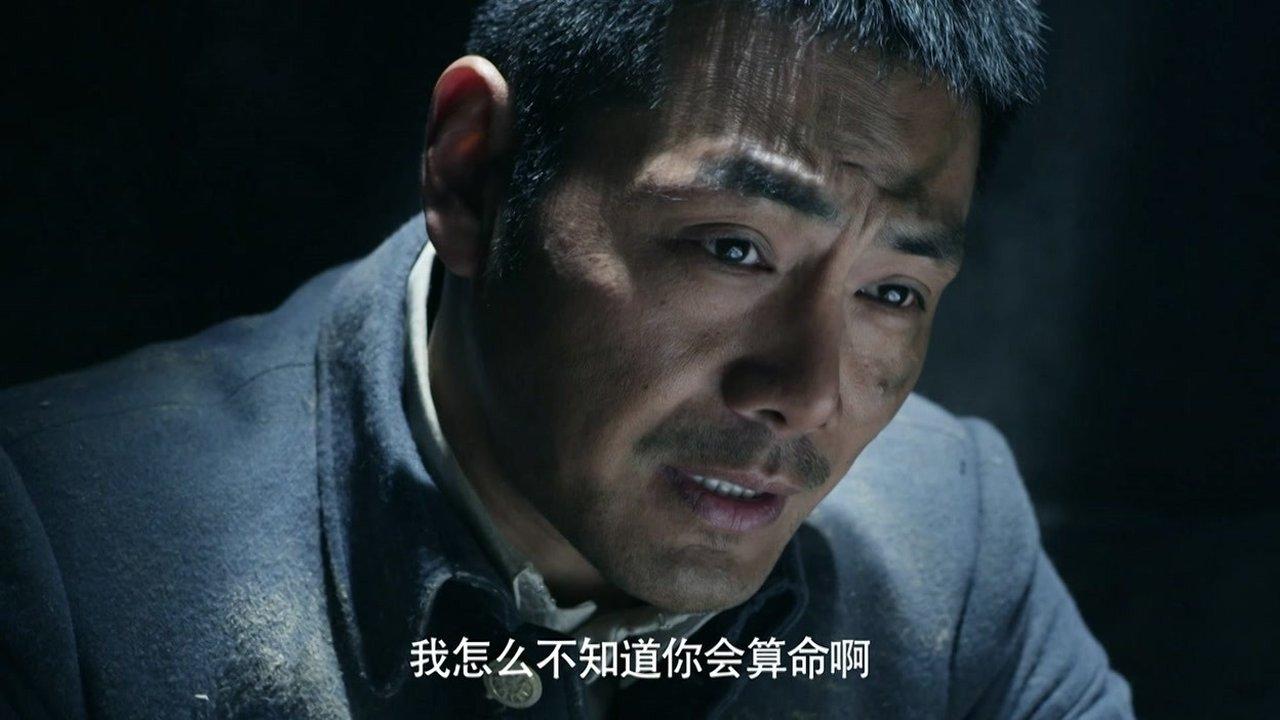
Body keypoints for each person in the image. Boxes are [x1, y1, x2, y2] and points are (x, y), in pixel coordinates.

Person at [0, 0, 1135, 717]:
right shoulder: (63, 561)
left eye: (890, 292)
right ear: (471, 172)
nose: (802, 394)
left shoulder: (949, 546)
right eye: (732, 248)